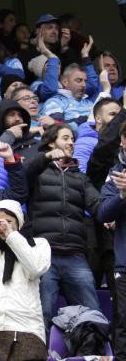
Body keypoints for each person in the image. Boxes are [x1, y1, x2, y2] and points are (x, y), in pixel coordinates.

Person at [25, 124, 101, 331]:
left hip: (76, 256)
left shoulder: (80, 177)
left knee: (92, 314)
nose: (71, 143)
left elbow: (99, 207)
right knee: (44, 314)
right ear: (51, 142)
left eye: (72, 139)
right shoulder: (39, 171)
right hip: (44, 256)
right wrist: (47, 157)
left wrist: (117, 202)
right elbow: (25, 173)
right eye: (66, 138)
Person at [0, 200, 51, 360]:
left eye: (9, 222)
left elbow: (36, 268)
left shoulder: (38, 244)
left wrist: (12, 236)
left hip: (28, 328)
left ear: (19, 222)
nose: (3, 227)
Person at [97, 126, 126, 359]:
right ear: (123, 140)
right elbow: (104, 213)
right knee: (123, 324)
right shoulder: (116, 174)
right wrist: (123, 196)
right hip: (124, 266)